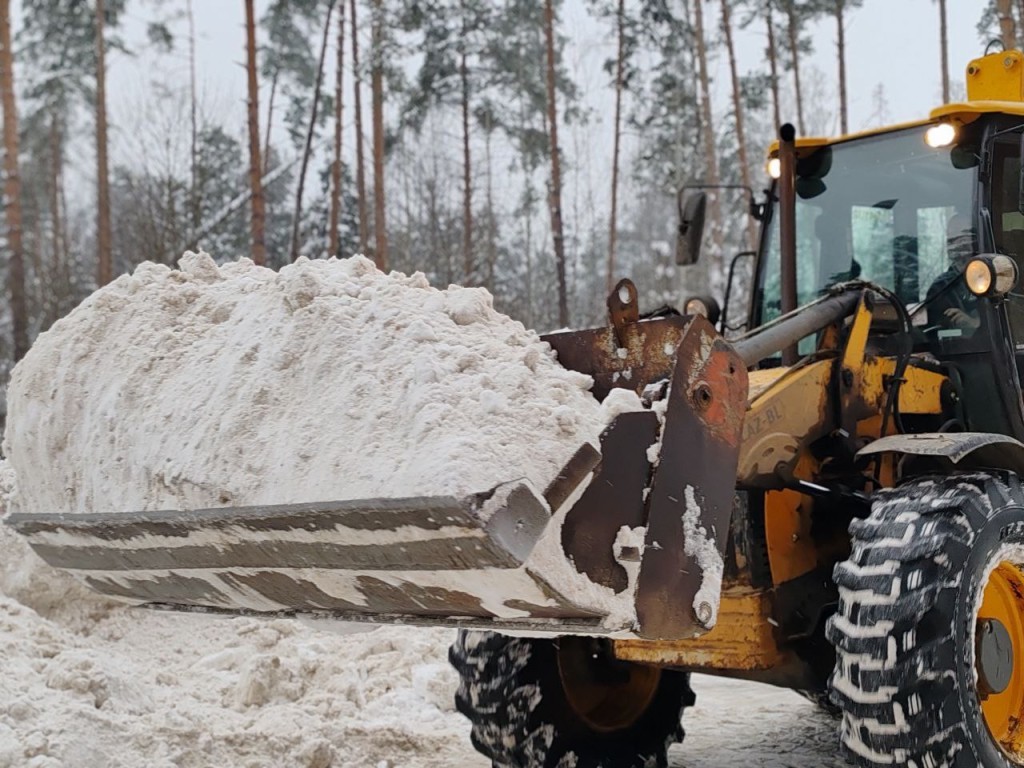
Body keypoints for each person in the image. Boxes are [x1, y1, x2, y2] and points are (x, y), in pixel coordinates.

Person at [927, 213, 980, 332]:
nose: (957, 245)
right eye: (951, 241)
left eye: (963, 238)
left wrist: (975, 324)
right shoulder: (940, 288)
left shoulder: (999, 279)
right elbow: (931, 333)